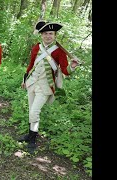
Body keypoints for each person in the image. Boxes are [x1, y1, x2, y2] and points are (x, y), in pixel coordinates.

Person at [19, 21, 80, 154]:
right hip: (32, 83)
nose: (48, 36)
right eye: (45, 33)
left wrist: (72, 66)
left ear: (55, 35)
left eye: (51, 34)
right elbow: (31, 65)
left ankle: (33, 140)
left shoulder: (59, 51)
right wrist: (24, 79)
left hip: (45, 86)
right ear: (41, 35)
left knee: (34, 112)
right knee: (31, 110)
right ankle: (30, 134)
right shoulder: (36, 47)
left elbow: (65, 70)